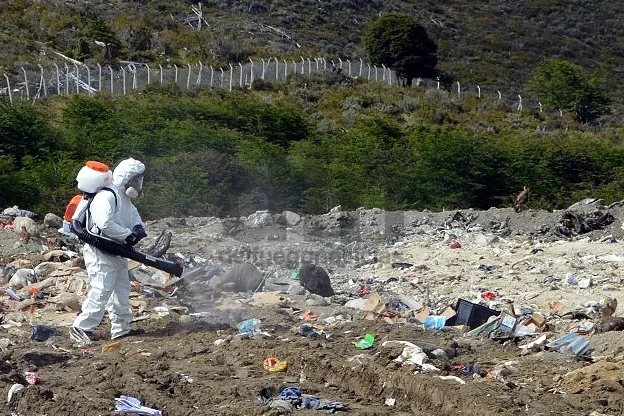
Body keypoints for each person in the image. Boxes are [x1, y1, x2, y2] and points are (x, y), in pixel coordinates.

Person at [72, 157, 148, 341]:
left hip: (117, 251)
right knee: (101, 290)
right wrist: (126, 235)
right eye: (136, 180)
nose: (138, 184)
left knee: (121, 291)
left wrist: (138, 228)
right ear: (127, 179)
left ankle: (121, 329)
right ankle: (81, 328)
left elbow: (133, 215)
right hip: (100, 251)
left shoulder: (123, 197)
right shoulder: (107, 195)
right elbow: (105, 223)